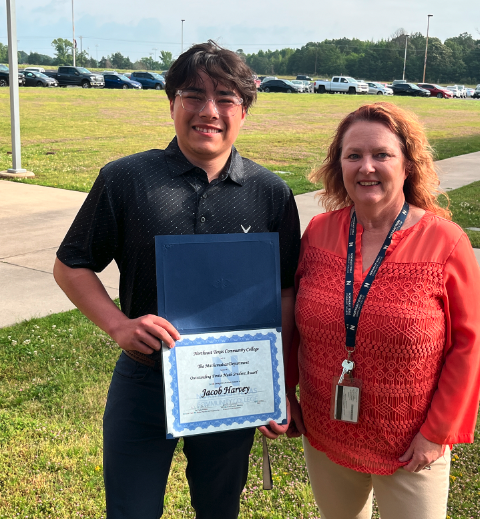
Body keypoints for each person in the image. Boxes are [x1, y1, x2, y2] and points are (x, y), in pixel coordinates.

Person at [53, 41, 300, 519]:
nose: (209, 111)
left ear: (244, 111)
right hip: (146, 380)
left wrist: (279, 384)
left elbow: (285, 292)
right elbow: (71, 264)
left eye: (226, 98)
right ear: (172, 104)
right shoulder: (126, 178)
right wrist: (117, 325)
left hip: (233, 385)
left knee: (218, 508)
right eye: (193, 95)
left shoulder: (270, 193)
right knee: (131, 509)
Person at [286, 102, 480, 519]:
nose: (367, 167)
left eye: (382, 154)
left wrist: (438, 433)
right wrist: (284, 392)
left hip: (411, 444)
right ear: (338, 165)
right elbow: (293, 323)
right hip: (327, 430)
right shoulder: (319, 233)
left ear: (408, 165)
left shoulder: (445, 242)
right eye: (353, 155)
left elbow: (468, 345)